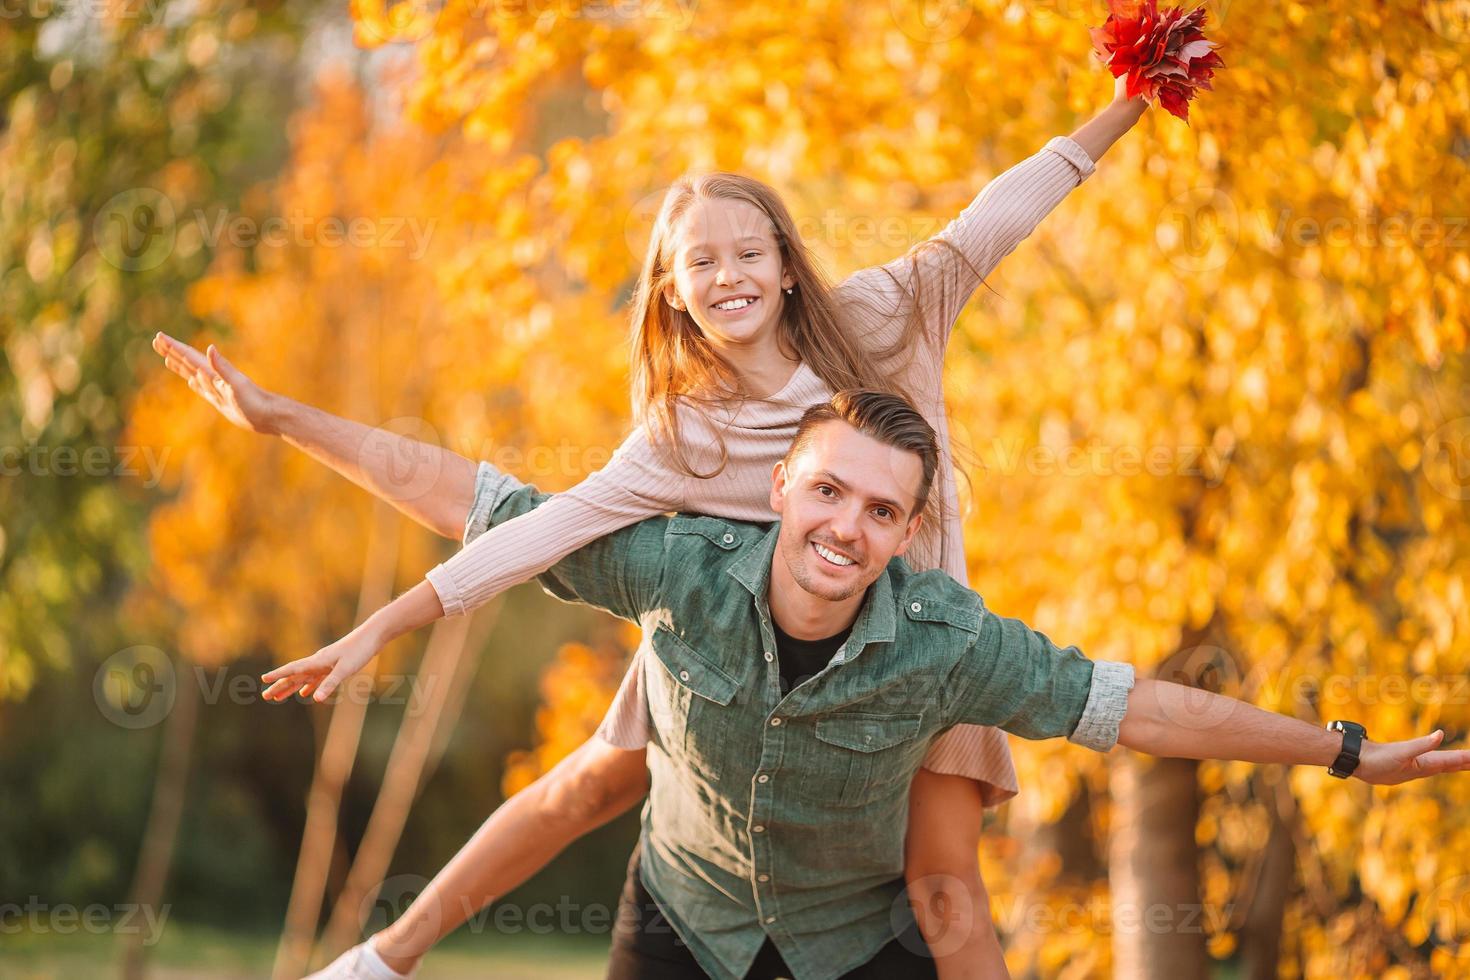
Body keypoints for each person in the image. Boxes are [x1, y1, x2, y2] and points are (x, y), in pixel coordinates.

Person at [302, 389, 1470, 980]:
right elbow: (479, 502)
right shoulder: (674, 566)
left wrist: (1347, 749)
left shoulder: (948, 642)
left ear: (910, 531)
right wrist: (280, 418)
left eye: (878, 510)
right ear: (779, 493)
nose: (843, 528)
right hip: (684, 916)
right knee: (589, 786)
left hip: (854, 942)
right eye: (825, 493)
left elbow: (1143, 706)